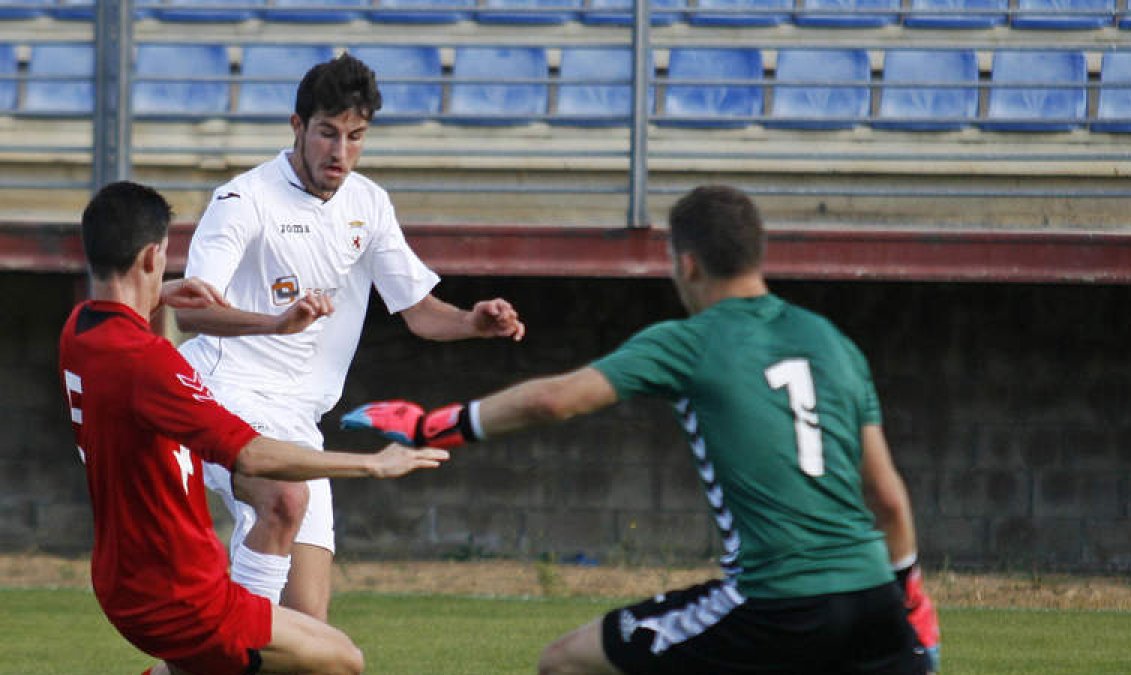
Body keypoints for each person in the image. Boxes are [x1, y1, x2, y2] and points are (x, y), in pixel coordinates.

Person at [343, 185, 942, 674]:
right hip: (875, 597)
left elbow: (555, 400)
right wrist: (909, 597)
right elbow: (888, 498)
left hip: (776, 599)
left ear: (686, 263)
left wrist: (435, 426)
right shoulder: (831, 342)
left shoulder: (687, 341)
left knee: (565, 663)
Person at [173, 53, 525, 621]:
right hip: (223, 392)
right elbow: (192, 311)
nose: (340, 152)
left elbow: (417, 311)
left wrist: (471, 322)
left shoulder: (369, 203)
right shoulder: (242, 200)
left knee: (308, 624)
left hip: (297, 419)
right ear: (297, 127)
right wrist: (273, 324)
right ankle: (227, 648)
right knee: (284, 501)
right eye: (327, 133)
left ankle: (218, 651)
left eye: (355, 136)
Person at [58, 181, 450, 675]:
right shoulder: (150, 365)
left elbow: (124, 314)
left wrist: (165, 293)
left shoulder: (79, 330)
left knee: (281, 507)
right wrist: (372, 463)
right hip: (181, 597)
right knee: (341, 660)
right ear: (153, 257)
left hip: (127, 579)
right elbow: (253, 454)